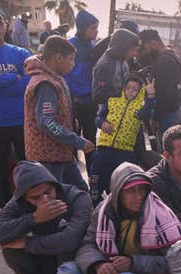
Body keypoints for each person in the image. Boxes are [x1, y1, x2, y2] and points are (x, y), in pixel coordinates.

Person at [0, 161, 92, 274]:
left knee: (65, 249)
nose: (45, 199)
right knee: (10, 250)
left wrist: (27, 242)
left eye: (47, 192)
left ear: (54, 184)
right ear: (24, 197)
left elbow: (70, 239)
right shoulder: (18, 204)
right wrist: (33, 218)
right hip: (44, 259)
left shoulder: (77, 197)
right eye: (36, 197)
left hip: (72, 262)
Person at [23, 36, 95, 190]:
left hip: (61, 153)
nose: (73, 64)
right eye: (71, 59)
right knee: (55, 199)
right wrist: (78, 141)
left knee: (80, 192)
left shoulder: (55, 79)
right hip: (48, 157)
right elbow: (46, 122)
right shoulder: (45, 83)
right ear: (58, 58)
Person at [90, 75, 155, 204]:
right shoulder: (112, 101)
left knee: (120, 188)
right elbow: (99, 117)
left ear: (140, 91)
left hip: (124, 153)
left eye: (135, 89)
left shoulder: (141, 106)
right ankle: (96, 213)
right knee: (95, 187)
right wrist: (102, 123)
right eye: (128, 88)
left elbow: (147, 113)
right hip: (103, 150)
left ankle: (115, 214)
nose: (130, 91)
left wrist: (151, 96)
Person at [0, 8, 30, 207]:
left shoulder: (21, 53)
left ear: (6, 25)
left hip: (21, 121)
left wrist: (1, 84)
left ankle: (30, 206)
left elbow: (28, 84)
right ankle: (6, 209)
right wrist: (13, 77)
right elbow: (19, 81)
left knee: (28, 168)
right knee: (0, 171)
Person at [65, 10, 99, 173]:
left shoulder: (94, 46)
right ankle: (70, 176)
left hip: (90, 101)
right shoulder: (69, 46)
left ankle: (93, 177)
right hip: (73, 101)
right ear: (82, 28)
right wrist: (74, 95)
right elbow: (66, 74)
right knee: (71, 140)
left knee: (91, 139)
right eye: (92, 28)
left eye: (96, 28)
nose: (96, 31)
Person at [138, 29, 181, 132]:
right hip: (174, 111)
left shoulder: (163, 61)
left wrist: (155, 118)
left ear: (153, 44)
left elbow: (163, 94)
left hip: (166, 116)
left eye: (145, 48)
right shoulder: (174, 56)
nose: (144, 53)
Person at [92, 28, 140, 107]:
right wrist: (125, 93)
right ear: (123, 47)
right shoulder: (106, 65)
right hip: (107, 115)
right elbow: (98, 96)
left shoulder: (122, 59)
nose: (135, 54)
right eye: (133, 50)